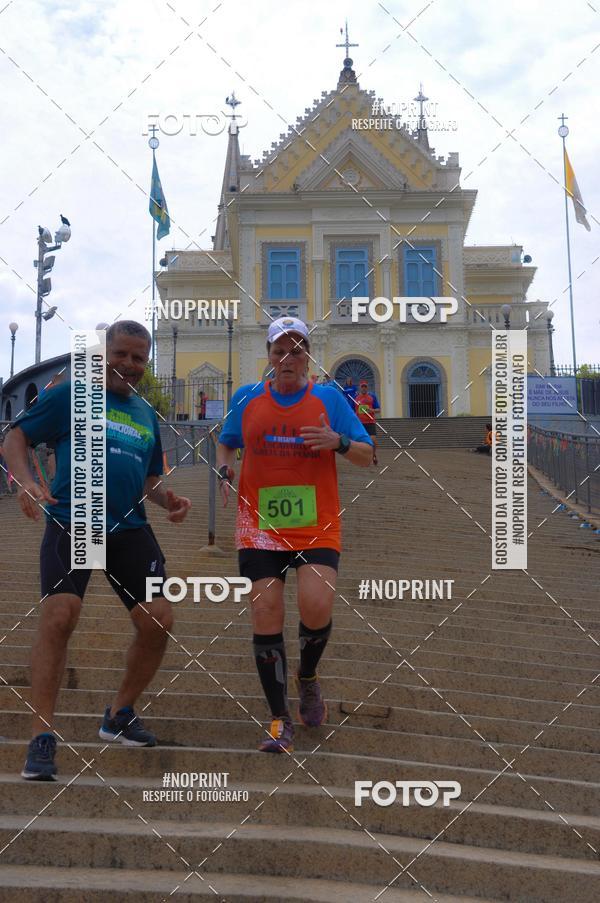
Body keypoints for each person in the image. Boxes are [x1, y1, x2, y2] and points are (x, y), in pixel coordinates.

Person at [3, 321, 192, 781]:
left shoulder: (146, 414)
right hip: (76, 519)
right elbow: (14, 436)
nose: (128, 364)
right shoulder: (74, 393)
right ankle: (42, 735)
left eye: (139, 358)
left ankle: (119, 714)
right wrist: (27, 483)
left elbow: (148, 480)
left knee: (159, 620)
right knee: (60, 615)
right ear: (102, 352)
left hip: (129, 528)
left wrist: (169, 500)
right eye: (121, 353)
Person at [216, 316, 372, 754]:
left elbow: (367, 454)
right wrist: (225, 468)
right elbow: (226, 441)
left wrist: (337, 441)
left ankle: (307, 676)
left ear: (308, 356)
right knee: (265, 611)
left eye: (297, 350)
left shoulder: (329, 399)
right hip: (259, 525)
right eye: (280, 350)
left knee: (316, 604)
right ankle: (279, 719)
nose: (288, 358)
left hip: (315, 522)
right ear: (268, 355)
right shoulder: (246, 398)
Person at [355, 381, 380, 465]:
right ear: (360, 387)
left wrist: (371, 410)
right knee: (360, 442)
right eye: (362, 386)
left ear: (367, 387)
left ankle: (373, 455)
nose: (364, 388)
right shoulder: (356, 397)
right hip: (360, 423)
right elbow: (352, 410)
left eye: (365, 386)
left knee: (374, 441)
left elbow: (378, 409)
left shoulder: (372, 396)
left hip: (370, 422)